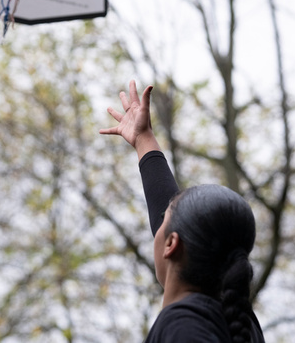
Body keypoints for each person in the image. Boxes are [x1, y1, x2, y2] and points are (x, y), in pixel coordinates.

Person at [100, 80, 266, 343]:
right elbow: (167, 218)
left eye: (166, 220)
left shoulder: (185, 326)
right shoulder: (237, 322)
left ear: (171, 245)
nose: (160, 221)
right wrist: (144, 140)